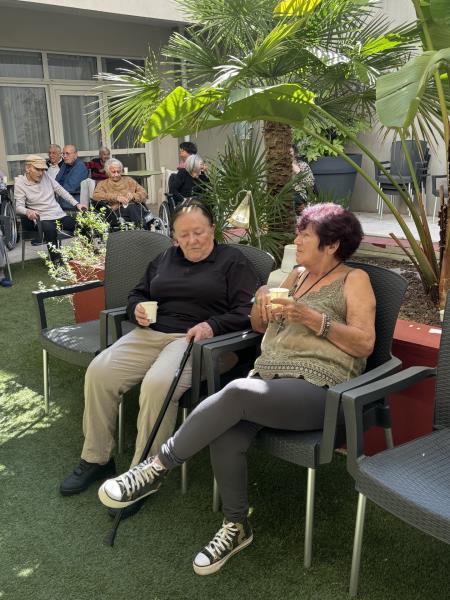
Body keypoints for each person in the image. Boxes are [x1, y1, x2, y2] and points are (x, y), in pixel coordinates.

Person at [98, 203, 376, 576]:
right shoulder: (296, 276)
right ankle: (237, 525)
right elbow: (260, 327)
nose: (297, 241)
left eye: (305, 235)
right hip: (270, 379)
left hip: (321, 388)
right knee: (227, 433)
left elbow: (364, 344)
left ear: (332, 244)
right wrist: (261, 305)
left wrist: (314, 320)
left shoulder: (354, 279)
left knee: (237, 392)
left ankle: (158, 466)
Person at [60, 200, 259, 508]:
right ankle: (97, 459)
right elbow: (138, 293)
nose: (192, 240)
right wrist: (136, 308)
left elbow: (249, 311)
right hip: (151, 333)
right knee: (99, 371)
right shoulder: (165, 258)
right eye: (184, 234)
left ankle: (143, 475)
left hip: (202, 342)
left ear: (212, 230)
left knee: (158, 384)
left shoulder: (233, 261)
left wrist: (213, 325)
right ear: (174, 237)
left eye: (199, 232)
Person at [14, 155, 83, 263]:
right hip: (42, 218)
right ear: (27, 168)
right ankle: (56, 262)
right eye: (37, 169)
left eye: (43, 169)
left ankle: (87, 255)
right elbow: (18, 207)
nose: (41, 173)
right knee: (50, 229)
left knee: (83, 225)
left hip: (58, 214)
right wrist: (27, 211)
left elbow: (60, 190)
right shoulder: (20, 183)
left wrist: (76, 204)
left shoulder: (46, 176)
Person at [91, 158, 149, 228]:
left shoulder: (129, 180)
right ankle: (141, 229)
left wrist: (133, 196)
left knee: (134, 208)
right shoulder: (103, 184)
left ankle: (141, 228)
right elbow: (96, 196)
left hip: (136, 208)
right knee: (132, 208)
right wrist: (116, 197)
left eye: (118, 172)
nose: (116, 174)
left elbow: (143, 192)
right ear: (108, 172)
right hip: (117, 212)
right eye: (113, 172)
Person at [290, 145, 316, 215]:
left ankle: (303, 211)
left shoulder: (303, 165)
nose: (288, 154)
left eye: (290, 152)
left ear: (295, 153)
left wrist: (299, 172)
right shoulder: (279, 168)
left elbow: (310, 184)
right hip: (285, 195)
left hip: (301, 195)